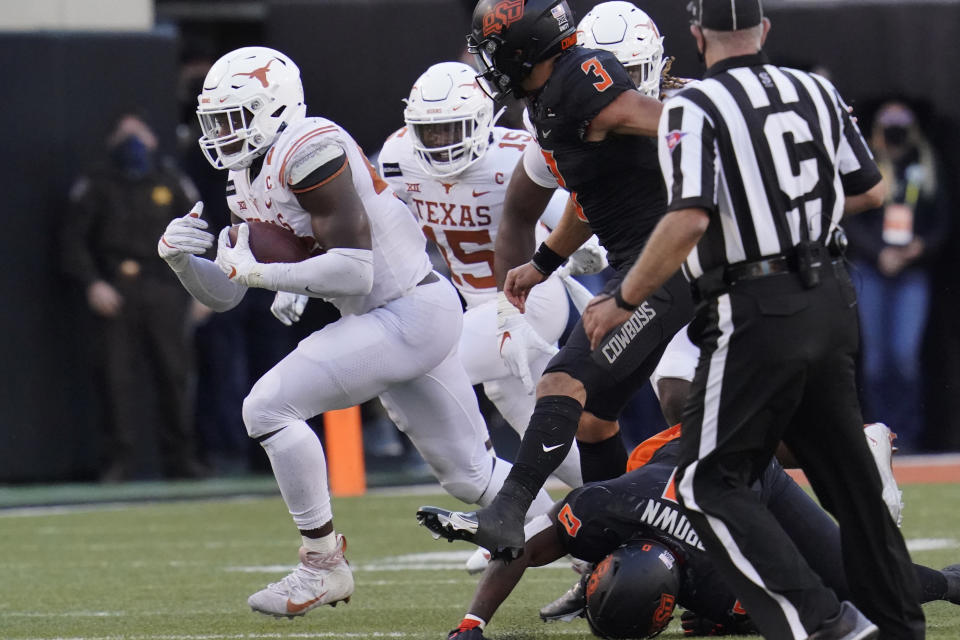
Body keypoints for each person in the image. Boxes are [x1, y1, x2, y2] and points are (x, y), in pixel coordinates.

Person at [157, 46, 557, 618]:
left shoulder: (311, 149)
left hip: (407, 310)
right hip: (401, 315)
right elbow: (225, 295)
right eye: (214, 120)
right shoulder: (245, 175)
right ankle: (591, 546)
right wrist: (181, 261)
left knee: (266, 407)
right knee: (471, 475)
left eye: (235, 116)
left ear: (275, 108)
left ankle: (321, 563)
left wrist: (264, 271)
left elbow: (354, 268)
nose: (222, 132)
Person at [580, 0, 924, 637]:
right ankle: (900, 629)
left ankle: (827, 624)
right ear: (764, 29)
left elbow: (689, 218)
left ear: (696, 36)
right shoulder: (815, 90)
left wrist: (624, 296)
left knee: (710, 483)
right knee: (850, 484)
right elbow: (872, 189)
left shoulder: (693, 107)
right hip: (834, 294)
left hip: (758, 302)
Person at [418, 0, 694, 561]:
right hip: (632, 263)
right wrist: (544, 261)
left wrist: (722, 127)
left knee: (561, 381)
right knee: (591, 421)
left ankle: (508, 512)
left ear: (524, 49)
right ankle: (613, 554)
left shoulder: (578, 85)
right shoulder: (550, 102)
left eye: (493, 48)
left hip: (660, 268)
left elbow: (654, 116)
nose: (486, 60)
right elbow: (592, 194)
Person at [419, 425, 960, 639]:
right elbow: (515, 544)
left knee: (865, 585)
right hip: (689, 477)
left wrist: (473, 624)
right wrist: (471, 623)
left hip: (740, 473)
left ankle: (854, 441)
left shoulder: (718, 585)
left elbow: (517, 546)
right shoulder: (608, 510)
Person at [378, 60, 604, 490]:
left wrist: (586, 248)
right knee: (548, 435)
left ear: (485, 120)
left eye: (453, 129)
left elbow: (573, 214)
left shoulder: (514, 154)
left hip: (531, 298)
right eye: (432, 131)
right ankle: (605, 512)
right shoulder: (398, 157)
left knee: (422, 367)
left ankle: (491, 496)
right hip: (477, 304)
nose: (441, 144)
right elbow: (374, 225)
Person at [62, 110, 206, 482]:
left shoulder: (170, 180)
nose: (134, 143)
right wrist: (93, 282)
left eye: (139, 134)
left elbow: (199, 231)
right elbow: (72, 241)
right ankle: (118, 461)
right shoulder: (96, 184)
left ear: (154, 140)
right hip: (116, 290)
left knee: (174, 373)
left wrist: (204, 288)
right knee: (115, 378)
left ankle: (181, 460)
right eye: (126, 136)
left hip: (164, 287)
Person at [844, 101, 952, 451]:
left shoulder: (927, 164)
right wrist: (879, 253)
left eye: (901, 121)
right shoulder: (868, 163)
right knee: (876, 362)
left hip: (912, 273)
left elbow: (943, 219)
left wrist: (921, 247)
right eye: (888, 121)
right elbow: (849, 215)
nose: (895, 128)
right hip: (873, 270)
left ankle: (908, 436)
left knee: (904, 357)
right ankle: (882, 435)